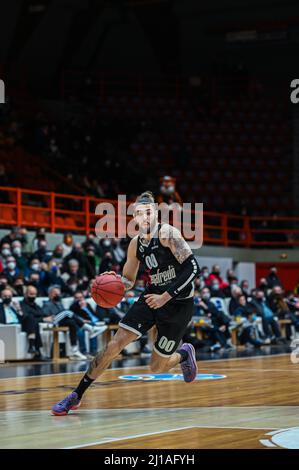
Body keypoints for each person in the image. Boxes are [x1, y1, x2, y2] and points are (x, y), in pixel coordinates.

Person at [52, 190, 200, 415]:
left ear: (156, 214)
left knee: (156, 367)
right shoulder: (135, 244)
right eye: (140, 213)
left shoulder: (168, 233)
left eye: (149, 212)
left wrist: (166, 297)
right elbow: (129, 280)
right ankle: (76, 395)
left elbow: (192, 267)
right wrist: (115, 282)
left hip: (178, 303)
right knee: (114, 345)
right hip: (151, 298)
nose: (145, 217)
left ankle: (184, 353)